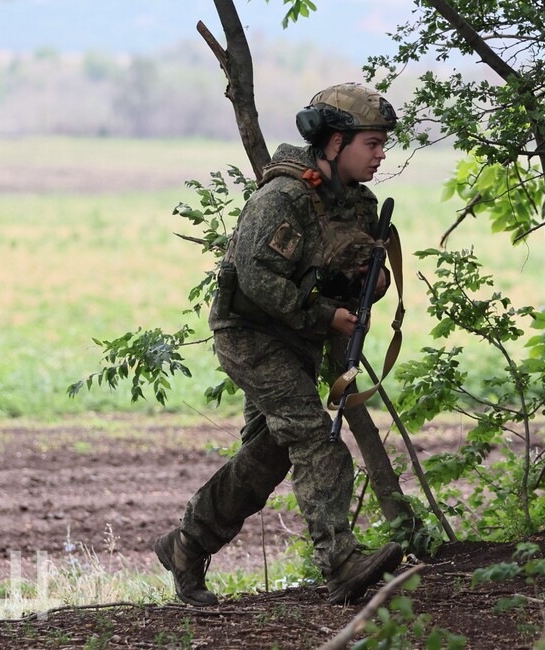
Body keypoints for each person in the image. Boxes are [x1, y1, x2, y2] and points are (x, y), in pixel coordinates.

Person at [154, 82, 404, 606]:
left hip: (297, 339)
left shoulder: (358, 204)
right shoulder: (283, 198)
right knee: (314, 438)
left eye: (383, 144)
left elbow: (343, 269)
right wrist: (324, 314)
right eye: (372, 143)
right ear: (335, 143)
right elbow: (257, 279)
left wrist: (368, 284)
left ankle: (186, 544)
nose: (381, 155)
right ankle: (339, 562)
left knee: (269, 457)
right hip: (251, 335)